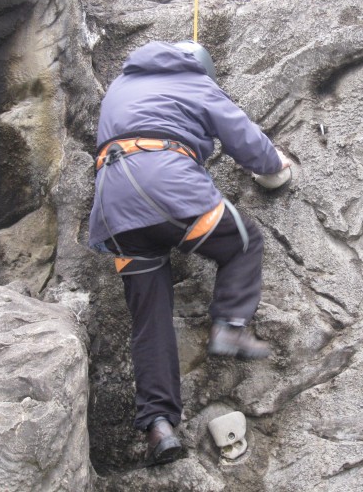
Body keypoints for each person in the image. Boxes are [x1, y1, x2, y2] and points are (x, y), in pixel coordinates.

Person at [88, 40, 290, 465]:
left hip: (113, 207)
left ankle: (159, 425)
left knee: (150, 319)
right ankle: (230, 326)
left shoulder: (120, 86)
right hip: (162, 183)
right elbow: (243, 136)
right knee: (242, 241)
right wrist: (275, 166)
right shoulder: (194, 80)